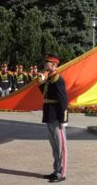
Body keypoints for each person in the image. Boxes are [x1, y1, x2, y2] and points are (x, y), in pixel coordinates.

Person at [40, 53, 68, 183]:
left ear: (54, 64)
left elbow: (63, 100)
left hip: (57, 117)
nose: (45, 64)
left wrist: (65, 119)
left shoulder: (58, 79)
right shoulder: (50, 79)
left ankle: (62, 173)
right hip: (49, 116)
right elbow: (46, 96)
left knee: (60, 146)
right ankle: (56, 170)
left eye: (47, 62)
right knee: (54, 146)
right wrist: (41, 83)